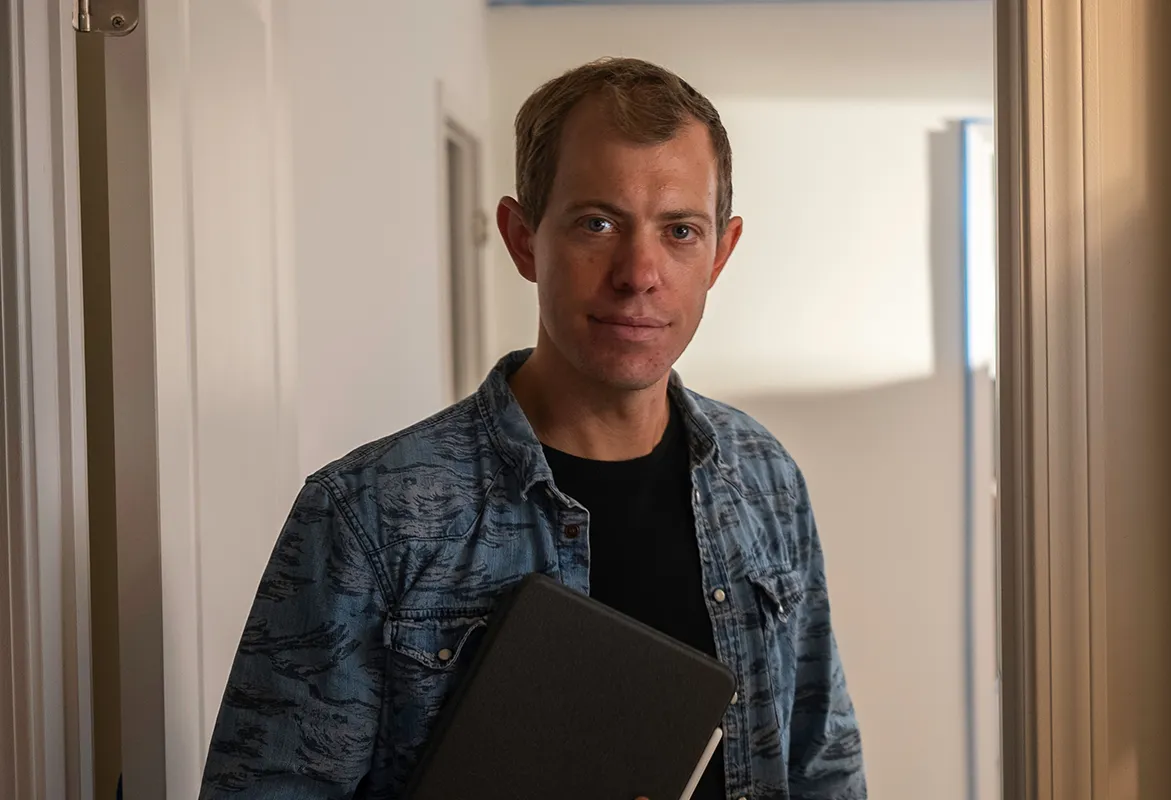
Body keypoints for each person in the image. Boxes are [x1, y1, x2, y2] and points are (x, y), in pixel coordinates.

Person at [199, 57, 866, 800]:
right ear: (522, 239)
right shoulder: (367, 515)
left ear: (720, 253)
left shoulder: (765, 478)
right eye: (598, 222)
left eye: (680, 230)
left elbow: (822, 766)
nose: (639, 272)